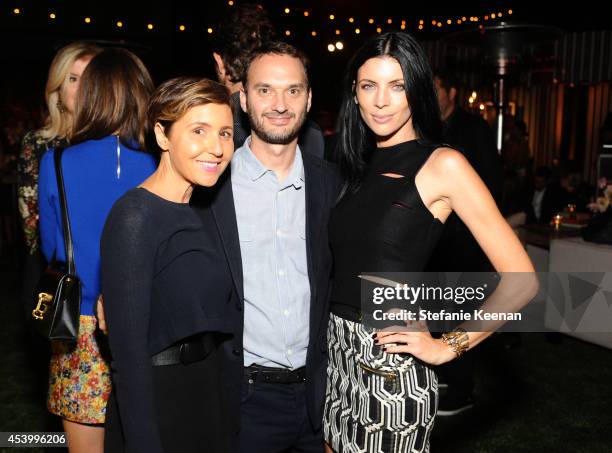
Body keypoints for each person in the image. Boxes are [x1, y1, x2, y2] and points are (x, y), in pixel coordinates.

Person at [325, 32, 537, 453]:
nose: (381, 101)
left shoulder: (444, 164)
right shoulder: (352, 161)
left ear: (417, 89)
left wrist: (447, 347)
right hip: (335, 359)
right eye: (369, 86)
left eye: (397, 85)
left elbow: (523, 282)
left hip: (388, 368)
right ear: (355, 92)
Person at [191, 41, 340, 452]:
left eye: (292, 90)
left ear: (309, 99)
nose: (279, 103)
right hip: (244, 401)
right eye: (264, 90)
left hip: (320, 397)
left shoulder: (333, 185)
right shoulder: (210, 188)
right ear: (242, 98)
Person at [101, 77, 237, 453]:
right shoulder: (134, 216)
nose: (216, 147)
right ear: (162, 136)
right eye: (199, 131)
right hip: (160, 402)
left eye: (225, 133)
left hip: (208, 394)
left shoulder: (205, 211)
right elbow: (127, 359)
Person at [38, 47, 157, 453]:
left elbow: (53, 247)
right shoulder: (166, 163)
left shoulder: (56, 162)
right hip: (151, 324)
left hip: (80, 329)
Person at [426, 68, 505, 416]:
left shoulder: (474, 129)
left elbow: (491, 185)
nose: (430, 92)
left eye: (436, 85)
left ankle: (462, 389)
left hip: (464, 242)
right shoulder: (425, 127)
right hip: (432, 243)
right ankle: (443, 375)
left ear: (452, 92)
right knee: (434, 312)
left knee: (461, 314)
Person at [17, 42, 101, 311]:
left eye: (90, 79)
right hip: (56, 274)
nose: (83, 87)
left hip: (107, 269)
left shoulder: (115, 144)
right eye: (73, 79)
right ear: (57, 89)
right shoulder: (38, 145)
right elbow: (32, 224)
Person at [211, 3, 325, 157]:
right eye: (264, 91)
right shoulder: (313, 134)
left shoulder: (206, 127)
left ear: (219, 62)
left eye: (292, 91)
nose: (280, 106)